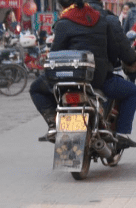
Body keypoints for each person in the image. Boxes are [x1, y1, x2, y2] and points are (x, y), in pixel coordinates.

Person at [29, 0, 136, 147]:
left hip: (65, 79)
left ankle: (54, 123)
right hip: (99, 79)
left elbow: (55, 52)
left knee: (35, 88)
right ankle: (122, 133)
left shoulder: (64, 22)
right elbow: (113, 52)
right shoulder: (103, 21)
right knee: (132, 91)